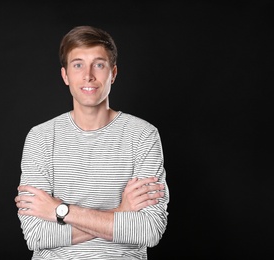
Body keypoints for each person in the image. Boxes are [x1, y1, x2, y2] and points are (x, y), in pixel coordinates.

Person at [14, 25, 169, 259]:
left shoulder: (143, 135)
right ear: (65, 75)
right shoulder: (41, 137)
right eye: (78, 65)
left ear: (113, 73)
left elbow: (149, 230)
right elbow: (36, 235)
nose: (88, 75)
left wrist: (59, 211)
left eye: (99, 64)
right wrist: (120, 213)